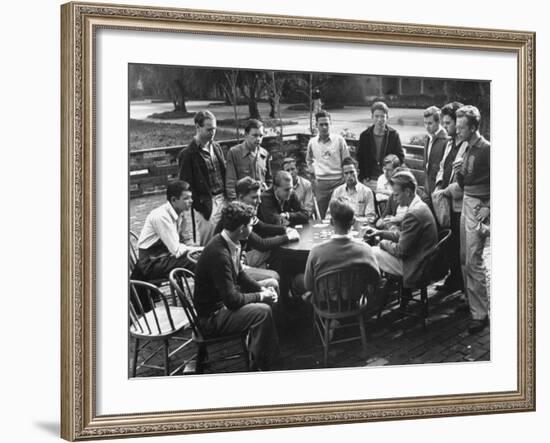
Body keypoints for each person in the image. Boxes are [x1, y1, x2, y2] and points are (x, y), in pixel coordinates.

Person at [193, 202, 280, 371]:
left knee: (272, 283)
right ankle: (261, 364)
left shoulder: (231, 241)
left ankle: (263, 345)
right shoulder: (219, 254)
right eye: (250, 225)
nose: (252, 229)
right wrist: (261, 296)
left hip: (224, 302)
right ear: (241, 228)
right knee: (263, 311)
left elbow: (240, 275)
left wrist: (261, 289)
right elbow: (232, 300)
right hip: (212, 317)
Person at [293, 198, 380, 305]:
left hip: (326, 301)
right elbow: (376, 279)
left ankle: (310, 314)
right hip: (355, 299)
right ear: (353, 221)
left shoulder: (316, 251)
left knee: (297, 280)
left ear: (331, 222)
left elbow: (308, 285)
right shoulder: (365, 249)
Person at [214, 177, 300, 281]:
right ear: (241, 198)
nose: (259, 201)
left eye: (259, 197)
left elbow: (263, 227)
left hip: (239, 256)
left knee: (277, 250)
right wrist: (288, 237)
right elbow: (261, 244)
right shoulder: (238, 216)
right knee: (275, 258)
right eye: (255, 197)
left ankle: (286, 285)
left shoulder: (244, 209)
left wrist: (285, 229)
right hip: (232, 265)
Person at [454, 105, 491, 334]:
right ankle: (471, 302)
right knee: (465, 256)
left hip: (479, 206)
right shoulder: (467, 146)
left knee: (475, 260)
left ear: (474, 127)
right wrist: (458, 171)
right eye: (457, 127)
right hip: (467, 201)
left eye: (461, 127)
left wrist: (489, 206)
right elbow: (463, 183)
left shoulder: (487, 149)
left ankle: (481, 314)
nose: (458, 131)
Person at [366, 171, 438, 289]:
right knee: (376, 250)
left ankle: (376, 295)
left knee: (370, 252)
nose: (394, 199)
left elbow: (401, 250)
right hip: (420, 257)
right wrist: (381, 233)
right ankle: (382, 290)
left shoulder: (413, 214)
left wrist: (382, 243)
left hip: (416, 265)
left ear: (408, 192)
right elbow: (405, 237)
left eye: (396, 195)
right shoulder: (418, 205)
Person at [132, 180, 202, 285]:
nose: (191, 201)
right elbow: (177, 250)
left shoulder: (180, 214)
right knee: (197, 262)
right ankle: (205, 297)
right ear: (174, 200)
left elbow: (186, 241)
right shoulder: (161, 216)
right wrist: (200, 249)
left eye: (191, 197)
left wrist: (200, 250)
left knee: (204, 256)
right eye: (186, 198)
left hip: (165, 257)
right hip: (151, 263)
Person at [178, 110, 226, 246]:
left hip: (224, 199)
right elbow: (185, 185)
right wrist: (200, 206)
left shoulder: (216, 147)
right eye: (209, 129)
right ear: (198, 128)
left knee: (227, 238)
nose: (213, 133)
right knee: (209, 243)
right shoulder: (187, 154)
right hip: (207, 204)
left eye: (215, 129)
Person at [432, 102, 466, 293]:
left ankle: (459, 284)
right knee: (451, 244)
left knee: (458, 245)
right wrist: (438, 185)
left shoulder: (466, 145)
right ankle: (453, 279)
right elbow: (441, 167)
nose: (445, 126)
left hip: (459, 204)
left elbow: (464, 182)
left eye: (448, 123)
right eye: (444, 123)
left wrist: (446, 191)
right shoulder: (450, 143)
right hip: (445, 200)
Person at [306, 111, 351, 218]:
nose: (324, 127)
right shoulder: (312, 142)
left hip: (338, 182)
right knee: (323, 216)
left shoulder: (339, 140)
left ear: (330, 124)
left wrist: (345, 179)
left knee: (341, 214)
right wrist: (313, 171)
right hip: (321, 185)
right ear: (316, 125)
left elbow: (347, 161)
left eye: (327, 124)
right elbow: (309, 160)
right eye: (321, 124)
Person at [357, 101, 404, 190]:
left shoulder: (393, 135)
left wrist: (391, 176)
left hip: (387, 181)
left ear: (387, 117)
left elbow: (400, 158)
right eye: (376, 116)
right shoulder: (364, 136)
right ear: (372, 117)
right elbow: (360, 158)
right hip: (369, 180)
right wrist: (364, 176)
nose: (379, 119)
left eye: (382, 116)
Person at [225, 119, 272, 200]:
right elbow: (230, 182)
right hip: (244, 202)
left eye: (261, 136)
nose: (258, 139)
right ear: (246, 135)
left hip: (262, 200)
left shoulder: (264, 154)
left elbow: (269, 180)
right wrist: (234, 202)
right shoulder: (234, 153)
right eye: (255, 135)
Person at [328, 157, 376, 224]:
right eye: (346, 173)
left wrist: (353, 221)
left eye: (351, 172)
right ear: (343, 174)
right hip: (341, 228)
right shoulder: (337, 192)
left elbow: (370, 217)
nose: (349, 176)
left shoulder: (367, 192)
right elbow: (329, 215)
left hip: (359, 227)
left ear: (357, 172)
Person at [423, 106, 448, 196]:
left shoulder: (446, 139)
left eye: (430, 123)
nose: (427, 127)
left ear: (438, 122)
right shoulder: (427, 138)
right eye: (425, 123)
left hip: (439, 190)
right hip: (427, 188)